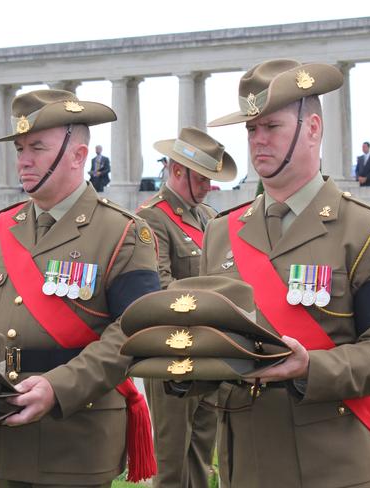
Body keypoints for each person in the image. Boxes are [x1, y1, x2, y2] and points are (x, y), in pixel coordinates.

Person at [188, 58, 370, 487]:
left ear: (313, 129)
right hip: (244, 463)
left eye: (272, 126)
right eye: (251, 130)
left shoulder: (369, 231)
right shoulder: (221, 232)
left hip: (331, 465)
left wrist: (310, 368)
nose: (258, 141)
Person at [0, 89, 160, 487]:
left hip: (77, 438)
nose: (23, 160)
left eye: (37, 148)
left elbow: (135, 331)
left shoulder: (123, 231)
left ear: (78, 155)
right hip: (4, 433)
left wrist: (57, 388)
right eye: (20, 148)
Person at [136, 127, 237, 488]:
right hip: (171, 356)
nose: (210, 186)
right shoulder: (153, 218)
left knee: (201, 456)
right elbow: (159, 288)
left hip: (208, 352)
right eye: (203, 178)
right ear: (178, 171)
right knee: (172, 461)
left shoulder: (208, 216)